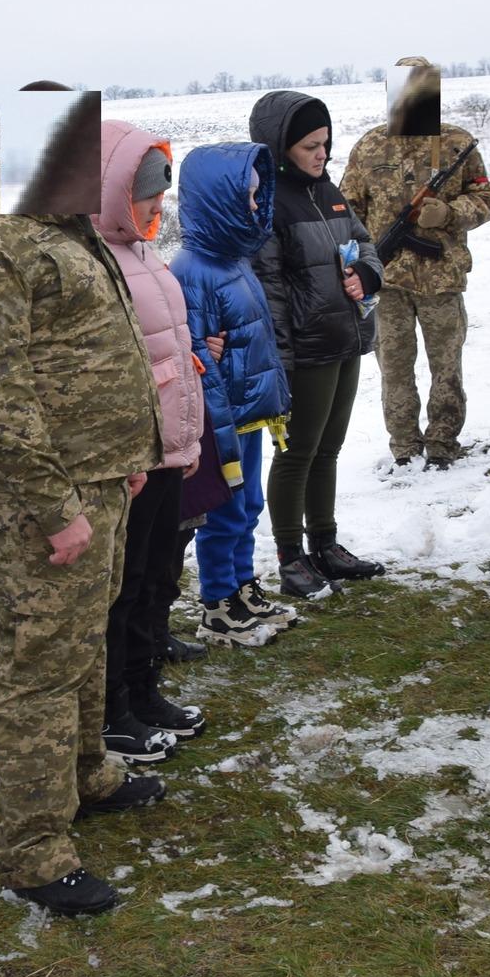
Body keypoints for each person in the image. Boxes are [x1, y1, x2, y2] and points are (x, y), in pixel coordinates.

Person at [0, 111, 165, 917]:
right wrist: (53, 506)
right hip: (49, 494)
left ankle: (86, 770)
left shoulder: (63, 227)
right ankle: (34, 845)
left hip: (98, 477)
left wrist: (124, 455)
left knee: (85, 636)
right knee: (39, 661)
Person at [92, 121, 207, 762]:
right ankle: (115, 708)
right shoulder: (99, 260)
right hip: (134, 451)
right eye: (144, 193)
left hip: (166, 446)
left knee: (158, 575)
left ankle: (144, 688)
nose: (157, 206)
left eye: (162, 193)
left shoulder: (143, 254)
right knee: (126, 583)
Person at [249, 90, 387, 598]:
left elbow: (365, 241)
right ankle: (290, 556)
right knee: (296, 453)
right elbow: (270, 289)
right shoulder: (268, 203)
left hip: (345, 338)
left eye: (325, 143)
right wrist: (281, 360)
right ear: (281, 144)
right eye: (310, 145)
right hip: (305, 349)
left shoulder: (328, 190)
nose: (321, 154)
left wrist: (367, 277)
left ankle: (325, 544)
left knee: (328, 450)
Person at [339, 56, 490, 468]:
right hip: (386, 281)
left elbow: (487, 198)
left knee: (446, 367)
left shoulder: (455, 144)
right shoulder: (370, 146)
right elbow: (346, 209)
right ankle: (405, 448)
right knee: (394, 370)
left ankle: (444, 443)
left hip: (442, 279)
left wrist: (449, 213)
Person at [172, 141, 297, 644]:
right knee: (224, 513)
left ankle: (243, 587)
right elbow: (200, 357)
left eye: (255, 197)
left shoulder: (234, 260)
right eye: (244, 198)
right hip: (223, 418)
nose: (253, 206)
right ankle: (217, 602)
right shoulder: (193, 270)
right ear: (215, 201)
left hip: (249, 411)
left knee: (248, 507)